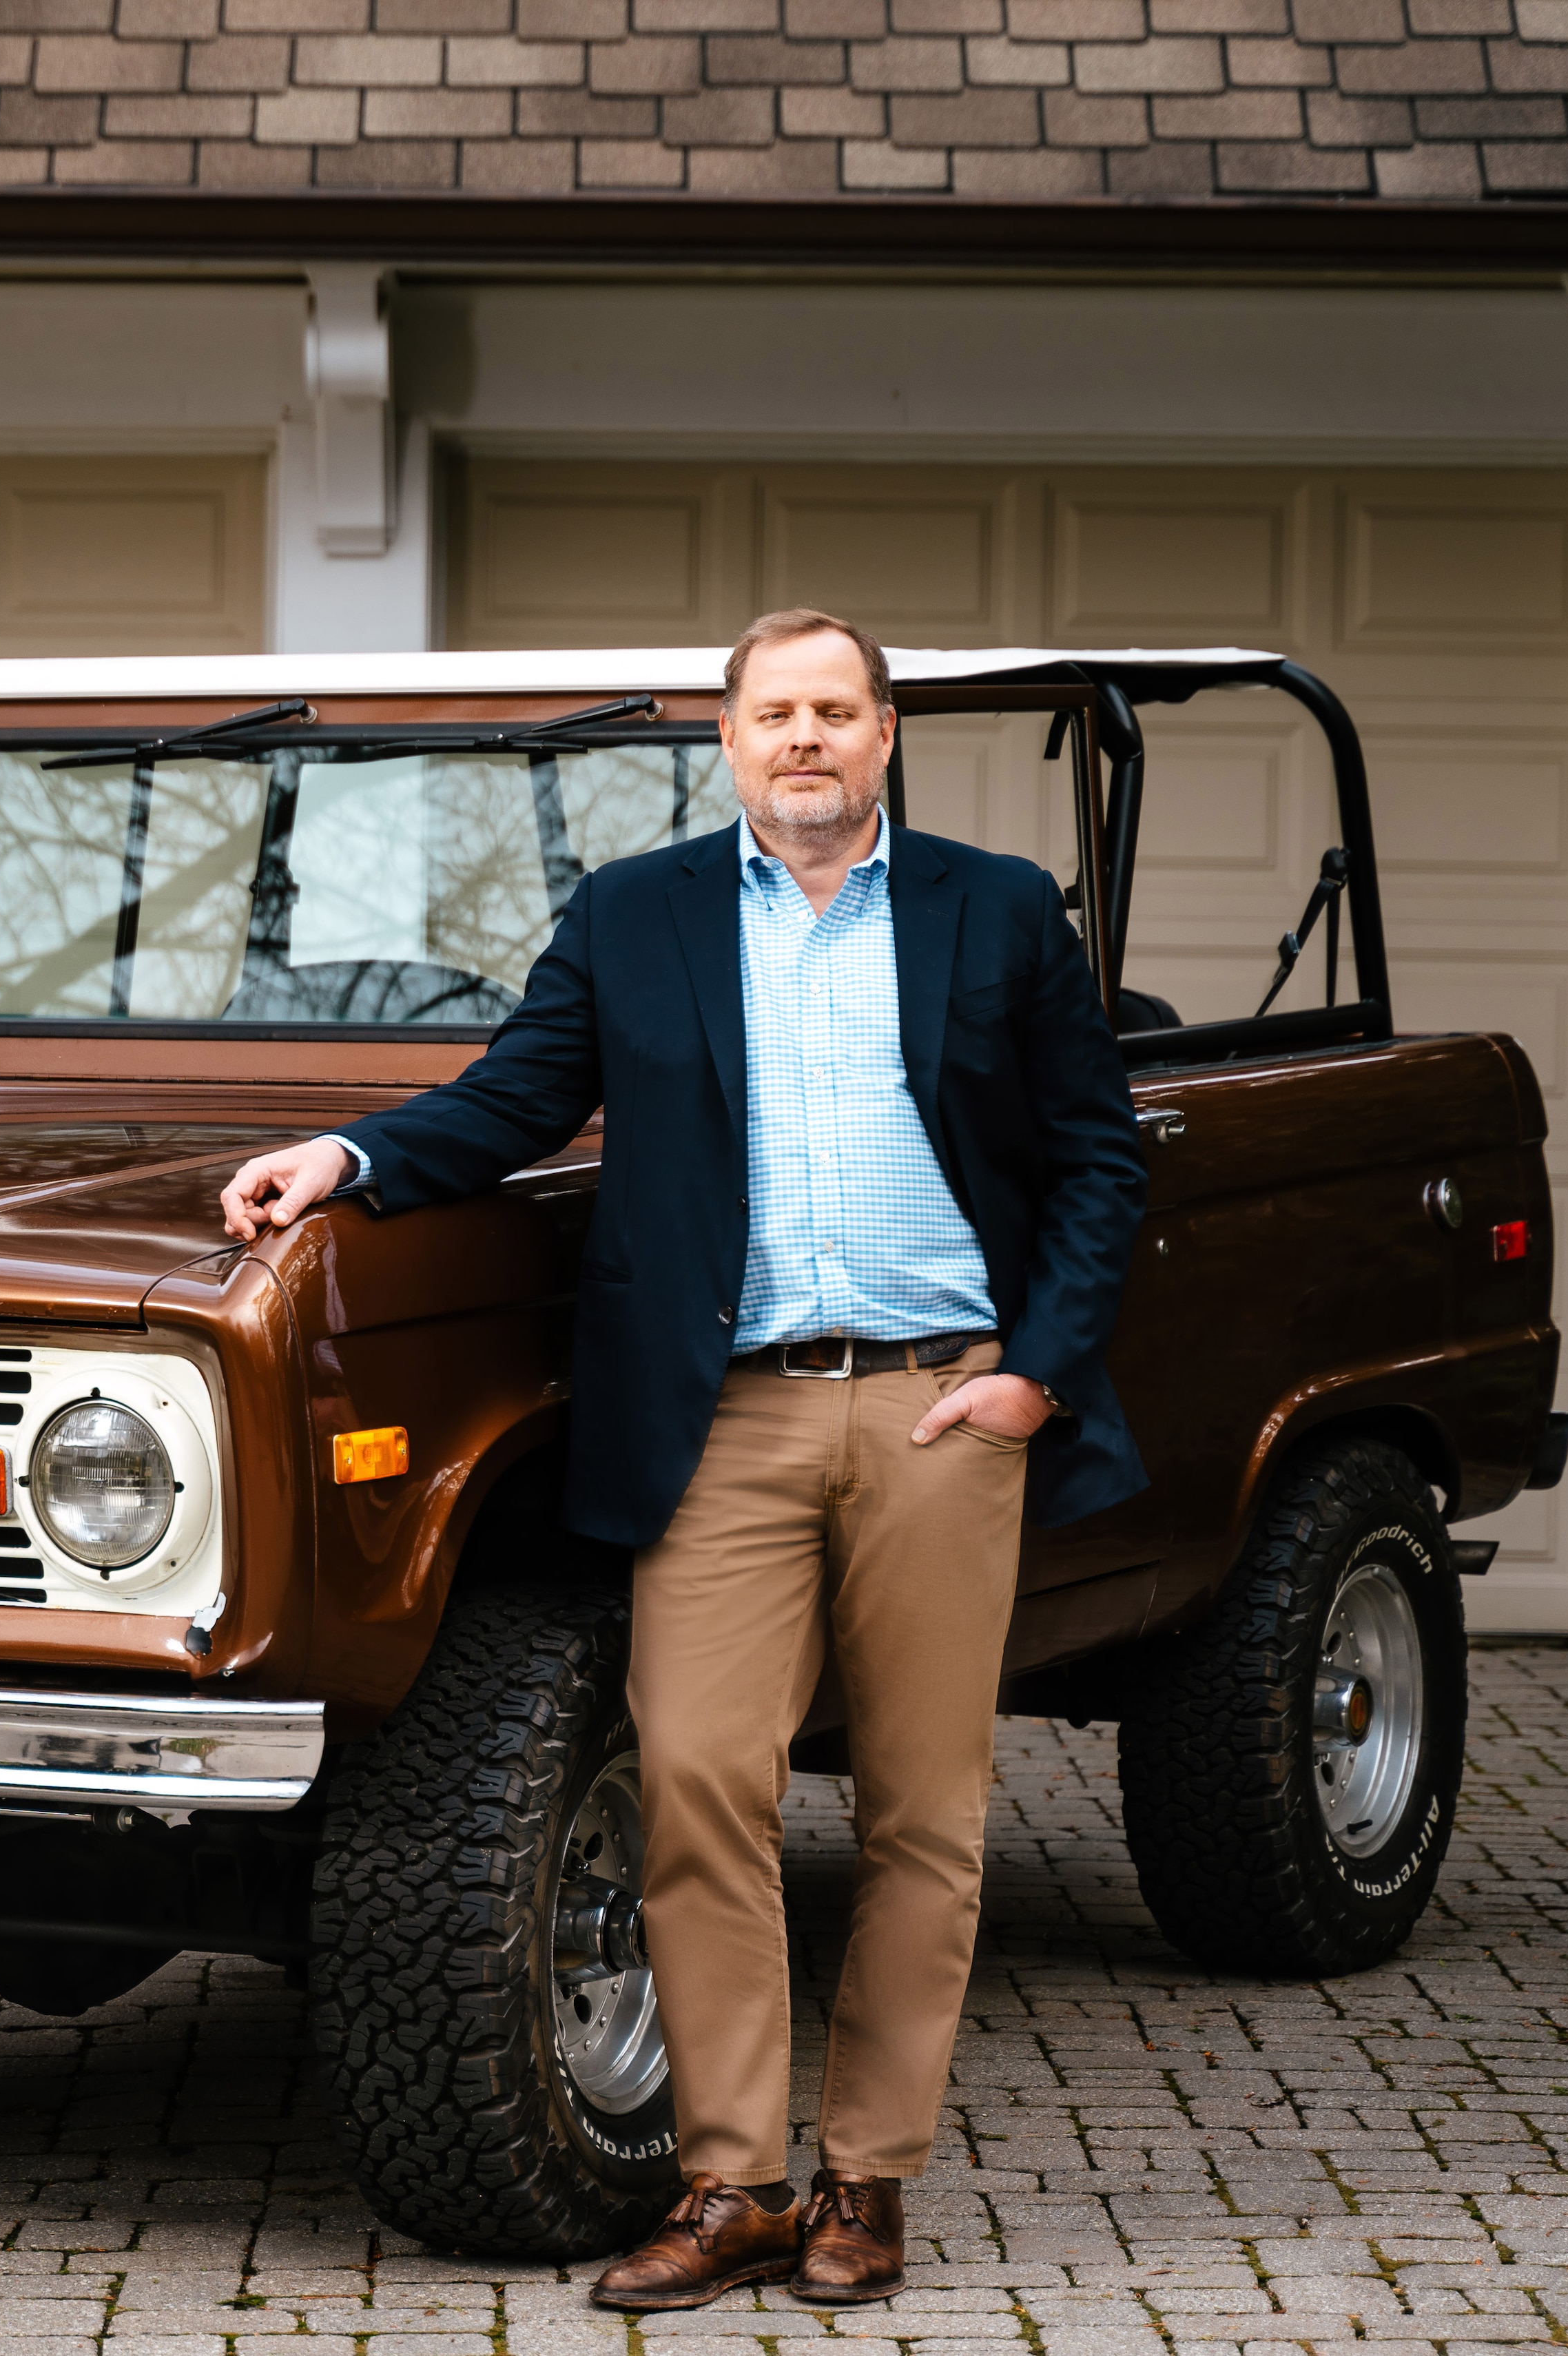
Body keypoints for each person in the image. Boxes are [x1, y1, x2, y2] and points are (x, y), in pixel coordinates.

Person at [220, 610, 1147, 2311]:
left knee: (923, 1813)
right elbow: (514, 1100)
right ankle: (734, 2189)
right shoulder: (634, 915)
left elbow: (1098, 1162)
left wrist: (1033, 1379)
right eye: (775, 712)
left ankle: (865, 2184)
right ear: (727, 741)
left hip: (940, 1407)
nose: (806, 738)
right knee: (701, 1783)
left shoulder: (994, 910)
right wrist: (347, 1153)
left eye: (837, 711)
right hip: (721, 1414)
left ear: (885, 738)